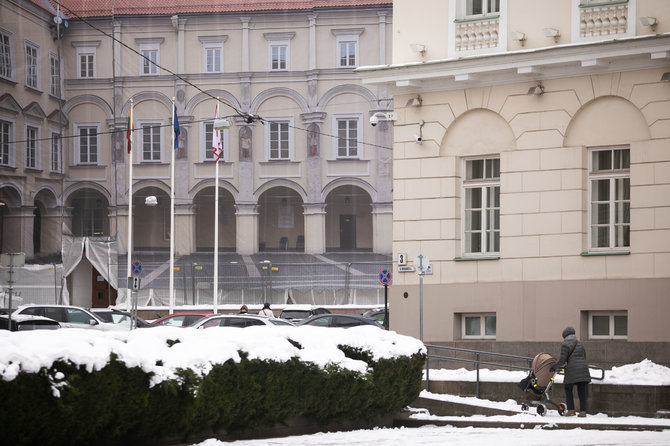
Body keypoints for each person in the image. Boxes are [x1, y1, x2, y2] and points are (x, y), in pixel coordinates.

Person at [550, 326, 591, 417]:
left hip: (572, 370)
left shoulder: (565, 344)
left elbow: (562, 360)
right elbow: (584, 357)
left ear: (565, 336)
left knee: (568, 388)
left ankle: (571, 410)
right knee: (582, 390)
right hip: (583, 369)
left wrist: (554, 367)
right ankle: (583, 411)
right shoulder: (580, 344)